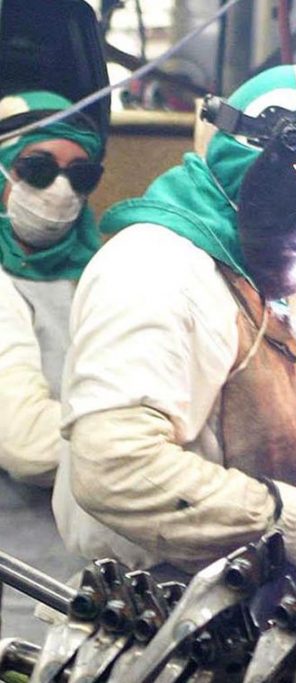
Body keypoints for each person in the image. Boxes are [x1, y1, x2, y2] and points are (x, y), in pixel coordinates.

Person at [54, 65, 296, 578]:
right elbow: (116, 470)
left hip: (233, 593)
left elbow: (224, 430)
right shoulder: (155, 269)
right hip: (159, 603)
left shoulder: (231, 272)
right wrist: (285, 519)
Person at [0, 90, 106, 638]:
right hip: (17, 590)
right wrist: (147, 455)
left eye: (79, 175)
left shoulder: (103, 278)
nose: (59, 190)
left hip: (97, 587)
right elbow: (27, 445)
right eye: (38, 169)